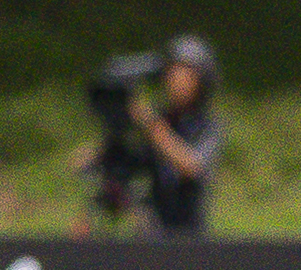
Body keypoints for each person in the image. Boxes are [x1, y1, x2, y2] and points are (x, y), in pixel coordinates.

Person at [77, 37, 226, 235]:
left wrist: (149, 123)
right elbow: (127, 167)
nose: (175, 82)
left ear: (201, 81)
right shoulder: (161, 121)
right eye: (172, 74)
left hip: (189, 238)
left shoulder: (207, 126)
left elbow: (192, 167)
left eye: (185, 75)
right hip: (153, 237)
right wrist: (104, 153)